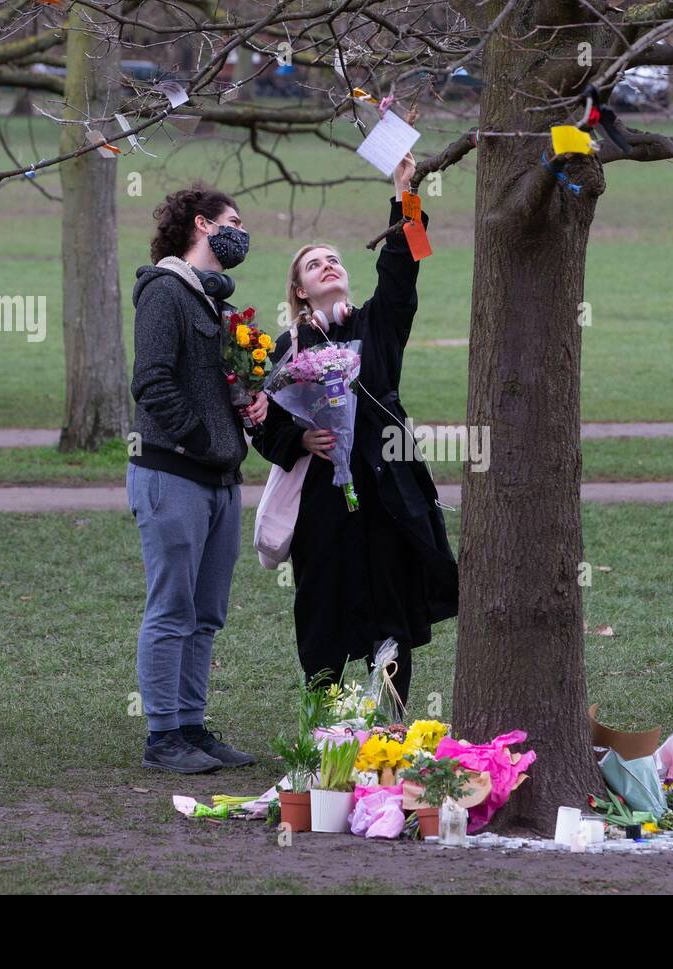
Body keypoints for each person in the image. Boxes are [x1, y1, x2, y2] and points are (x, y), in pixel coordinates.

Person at [252, 154, 457, 707]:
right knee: (324, 608)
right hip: (323, 501)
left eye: (335, 259)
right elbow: (260, 420)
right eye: (314, 263)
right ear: (298, 290)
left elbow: (404, 264)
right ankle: (325, 731)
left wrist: (404, 192)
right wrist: (299, 439)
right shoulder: (284, 349)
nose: (328, 265)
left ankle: (391, 725)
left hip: (387, 484)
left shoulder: (376, 323)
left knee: (390, 603)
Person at [127, 183, 267, 773]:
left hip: (219, 479)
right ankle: (163, 738)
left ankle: (190, 725)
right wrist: (205, 437)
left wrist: (246, 405)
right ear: (203, 225)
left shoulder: (214, 303)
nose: (241, 233)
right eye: (233, 221)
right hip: (173, 473)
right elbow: (152, 382)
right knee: (171, 608)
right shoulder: (164, 292)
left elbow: (209, 385)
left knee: (206, 612)